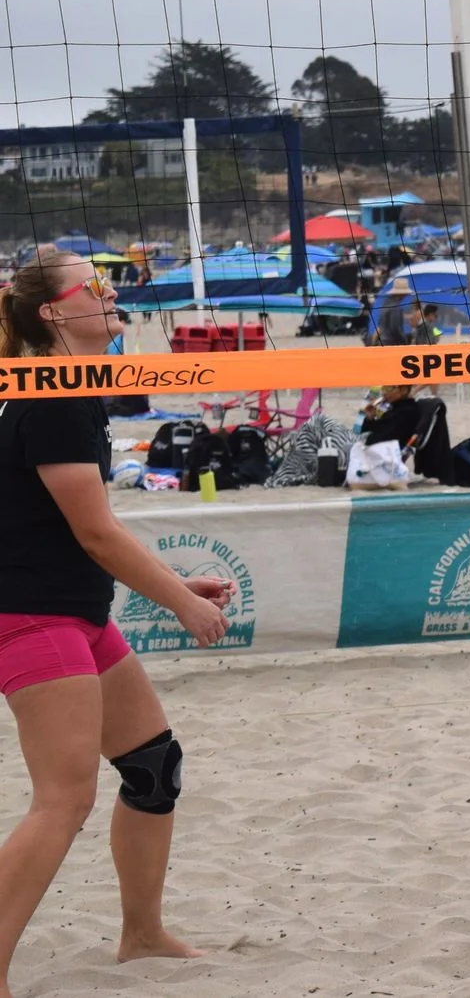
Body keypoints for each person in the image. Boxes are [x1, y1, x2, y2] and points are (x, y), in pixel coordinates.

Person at [0, 247, 231, 983]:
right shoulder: (54, 396)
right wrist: (183, 603)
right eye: (93, 285)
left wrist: (173, 579)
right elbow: (96, 531)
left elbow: (86, 527)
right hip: (34, 615)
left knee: (152, 765)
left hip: (72, 609)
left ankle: (142, 932)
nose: (110, 293)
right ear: (53, 311)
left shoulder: (59, 386)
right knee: (63, 798)